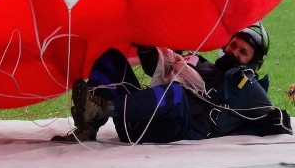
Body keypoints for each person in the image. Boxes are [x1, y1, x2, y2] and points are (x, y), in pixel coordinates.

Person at [52, 22, 292, 143]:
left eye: (243, 52)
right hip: (140, 119)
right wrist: (146, 47)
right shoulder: (200, 62)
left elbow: (277, 120)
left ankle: (103, 108)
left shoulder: (248, 87)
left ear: (253, 63)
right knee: (110, 58)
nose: (234, 53)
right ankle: (88, 126)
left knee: (177, 94)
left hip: (178, 126)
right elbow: (161, 66)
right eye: (233, 46)